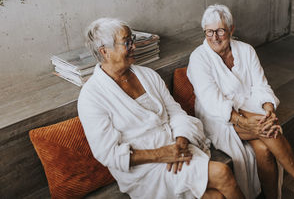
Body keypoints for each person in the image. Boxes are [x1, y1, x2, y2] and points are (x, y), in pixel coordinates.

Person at [78, 18, 244, 199]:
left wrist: (181, 141)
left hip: (175, 148)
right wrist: (160, 155)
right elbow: (108, 154)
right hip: (143, 169)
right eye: (127, 42)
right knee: (222, 173)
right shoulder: (91, 97)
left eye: (132, 39)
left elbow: (176, 112)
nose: (134, 46)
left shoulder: (148, 75)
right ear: (105, 51)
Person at [187, 5, 294, 199]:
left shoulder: (246, 50)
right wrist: (245, 120)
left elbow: (261, 86)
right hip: (218, 117)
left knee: (265, 149)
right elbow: (212, 102)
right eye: (209, 32)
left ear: (231, 30)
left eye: (220, 30)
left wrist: (269, 110)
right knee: (267, 128)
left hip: (252, 110)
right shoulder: (199, 58)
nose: (215, 37)